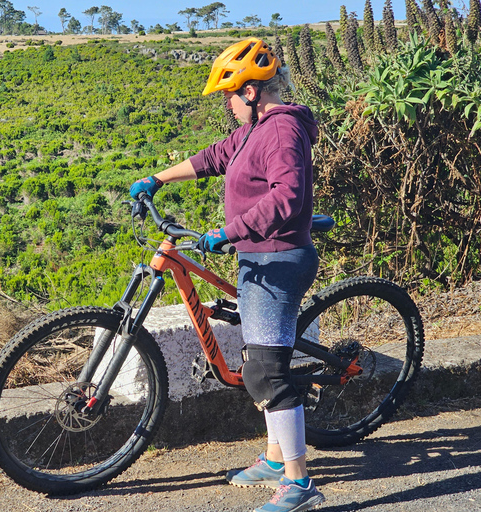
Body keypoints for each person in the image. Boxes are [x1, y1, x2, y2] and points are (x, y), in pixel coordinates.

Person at [129, 38, 325, 512]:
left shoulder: (281, 131)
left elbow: (287, 199)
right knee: (258, 358)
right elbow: (214, 158)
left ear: (253, 92)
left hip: (277, 261)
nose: (227, 104)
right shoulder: (255, 129)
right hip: (257, 258)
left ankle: (299, 485)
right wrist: (158, 178)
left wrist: (229, 232)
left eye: (229, 95)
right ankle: (278, 460)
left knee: (266, 372)